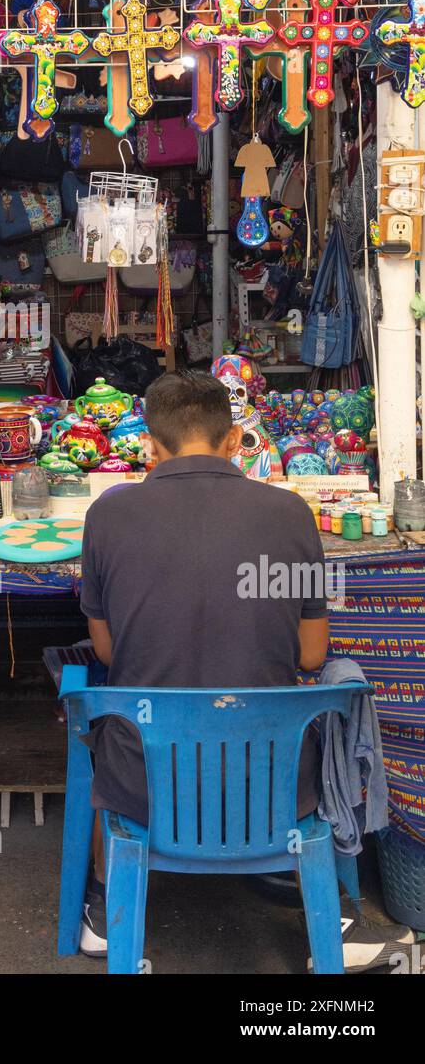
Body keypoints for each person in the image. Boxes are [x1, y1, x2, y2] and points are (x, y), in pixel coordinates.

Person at [78, 370, 413, 971]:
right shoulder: (290, 513)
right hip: (277, 784)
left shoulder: (108, 515)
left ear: (149, 446)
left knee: (96, 704)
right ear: (235, 440)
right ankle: (329, 912)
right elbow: (313, 657)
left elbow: (105, 652)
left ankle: (106, 914)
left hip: (144, 782)